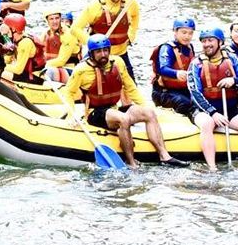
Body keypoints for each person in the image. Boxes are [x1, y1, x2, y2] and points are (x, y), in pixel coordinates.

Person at [61, 34, 188, 169]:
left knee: (149, 113)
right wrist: (71, 115)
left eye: (105, 50)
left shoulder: (118, 63)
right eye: (98, 52)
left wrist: (145, 105)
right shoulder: (81, 70)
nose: (103, 54)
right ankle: (131, 162)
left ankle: (164, 156)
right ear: (91, 54)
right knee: (124, 119)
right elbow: (68, 92)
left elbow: (130, 87)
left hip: (114, 108)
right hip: (95, 112)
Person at [187, 27, 238, 171]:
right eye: (204, 41)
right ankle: (212, 168)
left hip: (229, 108)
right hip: (204, 110)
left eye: (210, 40)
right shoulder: (195, 64)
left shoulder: (232, 58)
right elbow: (195, 94)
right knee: (206, 124)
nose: (207, 44)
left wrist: (234, 81)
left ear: (220, 42)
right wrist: (213, 113)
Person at [72, 0, 139, 81]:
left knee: (132, 85)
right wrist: (92, 42)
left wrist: (131, 36)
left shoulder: (131, 3)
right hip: (98, 55)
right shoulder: (95, 5)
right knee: (82, 80)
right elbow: (75, 28)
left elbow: (135, 17)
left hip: (121, 53)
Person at [150, 18, 197, 116]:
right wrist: (177, 73)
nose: (187, 36)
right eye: (183, 32)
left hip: (183, 89)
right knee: (184, 103)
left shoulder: (190, 47)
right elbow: (162, 69)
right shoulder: (167, 48)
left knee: (200, 100)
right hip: (164, 92)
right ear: (175, 32)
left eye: (190, 33)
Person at [0, 14, 43, 84]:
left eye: (6, 27)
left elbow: (18, 69)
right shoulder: (15, 40)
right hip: (25, 73)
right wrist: (6, 38)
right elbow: (7, 60)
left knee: (1, 72)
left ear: (13, 29)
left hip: (34, 76)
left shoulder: (25, 43)